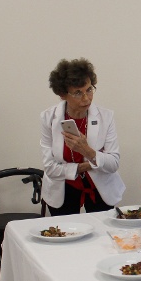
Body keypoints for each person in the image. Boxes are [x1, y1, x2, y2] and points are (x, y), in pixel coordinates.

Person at [40, 58, 125, 215]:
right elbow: (50, 167)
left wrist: (87, 151)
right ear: (62, 94)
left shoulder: (106, 117)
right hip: (62, 189)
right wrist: (83, 167)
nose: (86, 98)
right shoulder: (49, 118)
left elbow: (113, 163)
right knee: (66, 235)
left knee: (102, 235)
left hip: (100, 189)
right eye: (78, 93)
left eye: (89, 89)